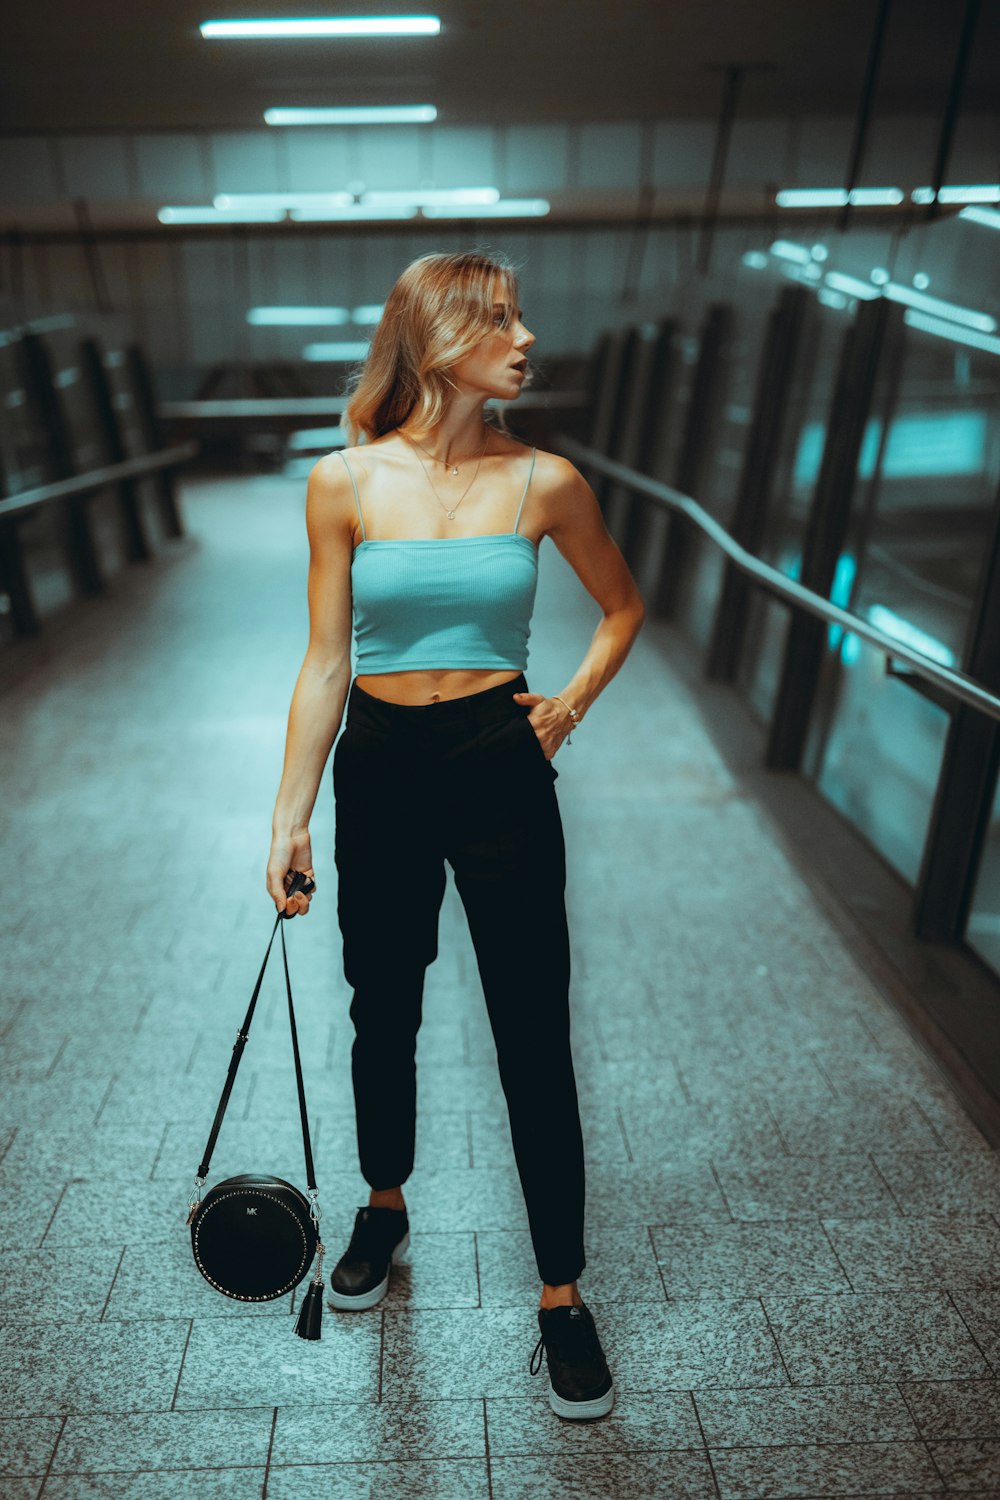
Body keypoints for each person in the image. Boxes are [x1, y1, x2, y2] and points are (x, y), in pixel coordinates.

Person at [266, 249, 645, 1420]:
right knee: (383, 1004)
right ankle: (385, 1203)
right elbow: (327, 659)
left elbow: (624, 607)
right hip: (378, 766)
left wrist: (566, 706)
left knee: (531, 1024)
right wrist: (288, 815)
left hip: (497, 759)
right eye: (500, 320)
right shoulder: (343, 484)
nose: (526, 339)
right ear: (436, 339)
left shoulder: (546, 482)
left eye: (522, 319)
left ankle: (560, 1296)